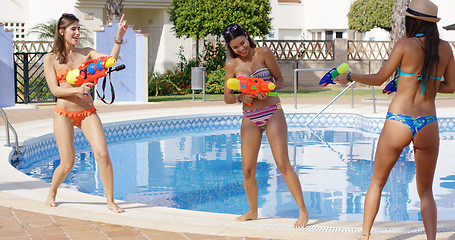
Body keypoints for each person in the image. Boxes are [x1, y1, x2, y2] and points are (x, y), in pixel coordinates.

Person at [334, 0, 455, 239]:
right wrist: (425, 84)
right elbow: (451, 87)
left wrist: (349, 76)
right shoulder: (446, 48)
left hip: (399, 119)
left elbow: (379, 78)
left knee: (377, 183)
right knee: (426, 192)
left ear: (412, 20)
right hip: (428, 123)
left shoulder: (405, 45)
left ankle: (365, 236)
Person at [222, 23, 310, 228]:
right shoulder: (231, 65)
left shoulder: (263, 53)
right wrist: (241, 96)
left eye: (242, 43)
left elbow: (280, 80)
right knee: (247, 170)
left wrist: (267, 89)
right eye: (235, 47)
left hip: (272, 113)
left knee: (282, 164)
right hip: (250, 117)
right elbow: (227, 96)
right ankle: (253, 211)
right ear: (230, 47)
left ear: (246, 35)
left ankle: (303, 211)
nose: (241, 49)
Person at [43, 13, 129, 213]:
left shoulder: (86, 53)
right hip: (63, 113)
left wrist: (119, 37)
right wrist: (76, 90)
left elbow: (110, 61)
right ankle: (52, 192)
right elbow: (55, 91)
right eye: (73, 29)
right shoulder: (50, 59)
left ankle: (110, 200)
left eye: (78, 28)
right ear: (61, 31)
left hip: (87, 111)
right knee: (67, 163)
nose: (77, 33)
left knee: (102, 154)